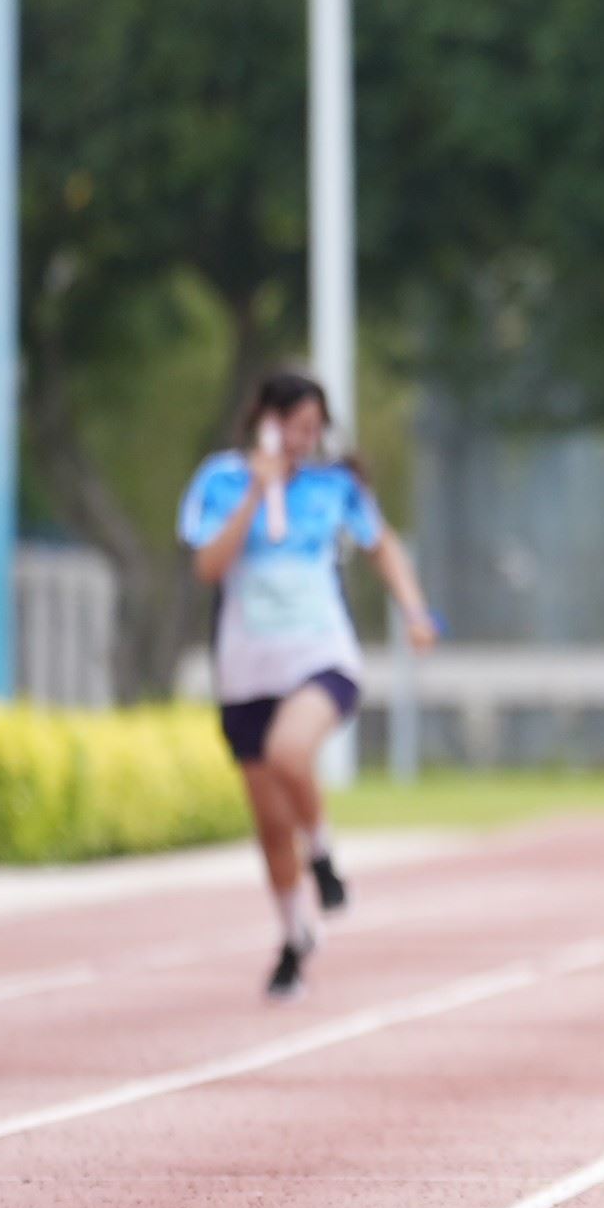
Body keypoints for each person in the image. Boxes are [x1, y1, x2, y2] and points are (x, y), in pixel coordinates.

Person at [182, 371, 438, 1001]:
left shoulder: (334, 487)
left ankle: (322, 856)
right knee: (271, 824)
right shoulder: (220, 481)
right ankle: (295, 937)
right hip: (247, 670)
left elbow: (383, 546)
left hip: (320, 656)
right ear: (265, 422)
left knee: (290, 752)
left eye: (313, 429)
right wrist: (256, 494)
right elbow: (209, 566)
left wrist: (413, 610)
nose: (304, 440)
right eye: (294, 427)